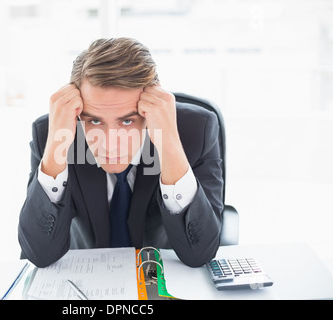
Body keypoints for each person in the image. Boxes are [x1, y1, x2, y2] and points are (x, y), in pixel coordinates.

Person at [18, 37, 223, 268]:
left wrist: (169, 144)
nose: (109, 144)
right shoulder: (53, 133)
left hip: (166, 277)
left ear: (148, 111)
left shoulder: (196, 130)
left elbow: (200, 254)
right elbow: (38, 254)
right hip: (84, 279)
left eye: (127, 121)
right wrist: (57, 144)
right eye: (94, 120)